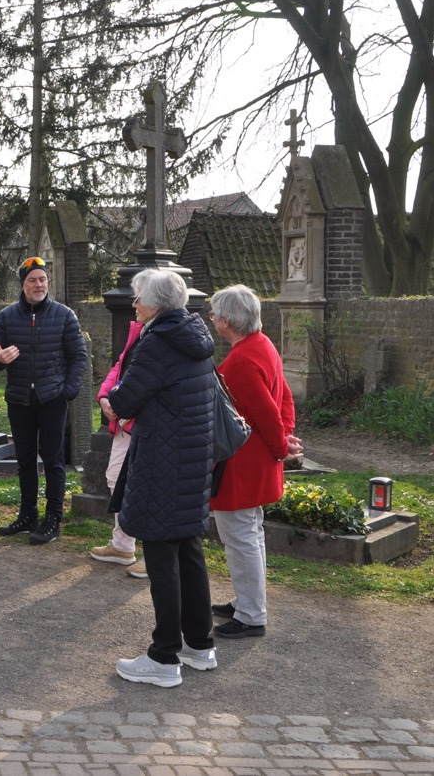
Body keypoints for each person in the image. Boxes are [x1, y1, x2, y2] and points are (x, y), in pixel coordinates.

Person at [106, 269, 218, 688]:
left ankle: (164, 656)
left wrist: (109, 401)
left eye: (138, 298)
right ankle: (199, 644)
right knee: (188, 549)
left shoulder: (157, 341)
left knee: (160, 555)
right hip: (191, 457)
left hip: (162, 457)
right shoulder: (195, 335)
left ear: (155, 303)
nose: (133, 305)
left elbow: (127, 398)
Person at [208, 284, 304, 639]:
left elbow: (264, 411)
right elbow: (284, 397)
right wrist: (284, 439)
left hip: (242, 462)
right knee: (250, 533)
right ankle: (247, 600)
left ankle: (251, 614)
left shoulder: (239, 362)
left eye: (216, 314)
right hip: (258, 456)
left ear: (228, 322)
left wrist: (282, 446)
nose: (213, 319)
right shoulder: (262, 345)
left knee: (240, 535)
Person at [0, 257, 87, 544]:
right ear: (23, 284)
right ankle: (28, 514)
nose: (38, 284)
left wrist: (69, 390)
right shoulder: (7, 316)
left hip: (52, 397)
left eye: (42, 279)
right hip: (19, 399)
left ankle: (53, 517)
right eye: (32, 280)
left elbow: (79, 356)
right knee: (26, 459)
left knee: (53, 461)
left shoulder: (64, 315)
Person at [90, 318, 149, 578]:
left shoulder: (162, 333)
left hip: (146, 425)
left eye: (140, 299)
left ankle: (154, 555)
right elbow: (120, 367)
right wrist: (104, 397)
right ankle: (123, 546)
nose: (134, 305)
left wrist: (121, 401)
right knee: (115, 479)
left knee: (147, 488)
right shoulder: (138, 329)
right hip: (124, 423)